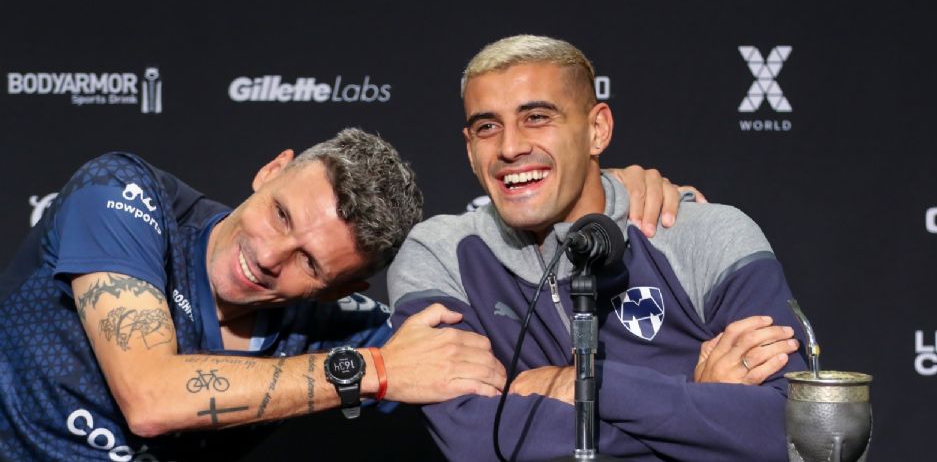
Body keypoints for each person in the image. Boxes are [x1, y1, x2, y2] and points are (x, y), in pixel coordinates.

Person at [0, 127, 686, 460]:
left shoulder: (346, 326)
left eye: (308, 262)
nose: (266, 257)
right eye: (280, 214)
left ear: (345, 287)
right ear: (270, 170)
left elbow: (519, 385)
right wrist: (377, 373)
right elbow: (151, 398)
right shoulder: (124, 194)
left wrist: (605, 200)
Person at [388, 35, 807, 461]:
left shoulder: (705, 234)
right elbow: (476, 439)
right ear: (470, 149)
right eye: (487, 127)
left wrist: (586, 384)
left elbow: (789, 432)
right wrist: (698, 408)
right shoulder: (440, 254)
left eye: (536, 117)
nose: (510, 147)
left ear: (597, 130)